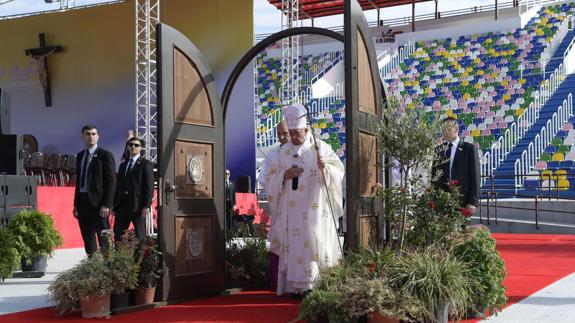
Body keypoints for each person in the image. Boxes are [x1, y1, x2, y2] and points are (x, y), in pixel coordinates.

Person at [263, 103, 344, 296]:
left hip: (314, 211)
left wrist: (325, 167)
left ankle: (311, 287)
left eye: (298, 133)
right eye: (291, 134)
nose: (294, 137)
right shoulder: (282, 152)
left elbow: (338, 172)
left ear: (306, 129)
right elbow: (269, 178)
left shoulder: (320, 147)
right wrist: (284, 175)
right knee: (292, 247)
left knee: (312, 246)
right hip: (290, 213)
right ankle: (293, 288)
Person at [73, 125, 117, 255]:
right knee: (87, 236)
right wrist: (76, 204)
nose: (91, 136)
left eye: (93, 134)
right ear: (83, 137)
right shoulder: (80, 156)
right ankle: (92, 266)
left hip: (99, 203)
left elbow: (111, 181)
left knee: (103, 236)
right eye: (87, 134)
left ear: (98, 136)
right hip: (83, 201)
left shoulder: (105, 155)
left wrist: (106, 204)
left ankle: (108, 266)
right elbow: (79, 181)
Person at [258, 120, 290, 291]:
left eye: (285, 133)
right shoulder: (272, 155)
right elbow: (264, 179)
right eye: (279, 134)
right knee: (280, 242)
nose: (282, 137)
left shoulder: (304, 151)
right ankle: (278, 284)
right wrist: (283, 176)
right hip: (281, 206)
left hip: (301, 209)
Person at [432, 117, 480, 215]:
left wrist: (472, 202)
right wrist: (433, 198)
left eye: (448, 128)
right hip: (442, 202)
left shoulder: (469, 149)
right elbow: (434, 176)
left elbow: (475, 177)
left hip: (463, 202)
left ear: (456, 129)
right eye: (443, 129)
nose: (445, 131)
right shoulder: (438, 150)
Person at [113, 137, 154, 241]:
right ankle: (120, 257)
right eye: (131, 145)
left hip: (138, 206)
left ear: (141, 148)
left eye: (136, 145)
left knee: (140, 236)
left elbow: (149, 186)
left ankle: (141, 258)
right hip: (122, 205)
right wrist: (114, 205)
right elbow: (118, 186)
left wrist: (146, 205)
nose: (133, 147)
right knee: (118, 235)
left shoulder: (146, 164)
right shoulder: (123, 165)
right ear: (127, 147)